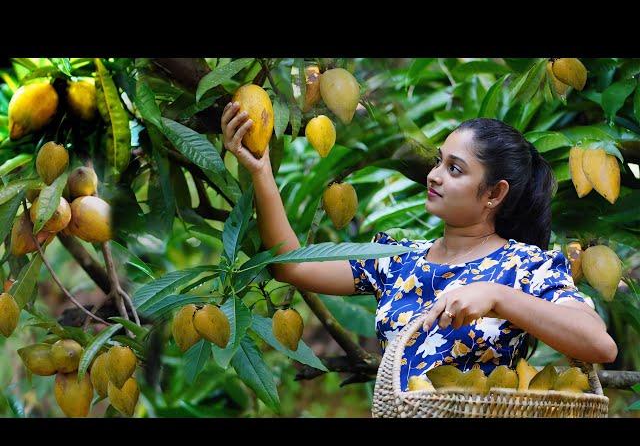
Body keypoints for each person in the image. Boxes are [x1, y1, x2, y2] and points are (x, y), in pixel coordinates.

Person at [221, 103, 618, 392]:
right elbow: (292, 267)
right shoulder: (396, 259)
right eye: (438, 162)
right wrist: (261, 172)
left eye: (454, 169)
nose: (434, 176)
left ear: (494, 194)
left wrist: (498, 296)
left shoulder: (525, 265)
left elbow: (598, 344)